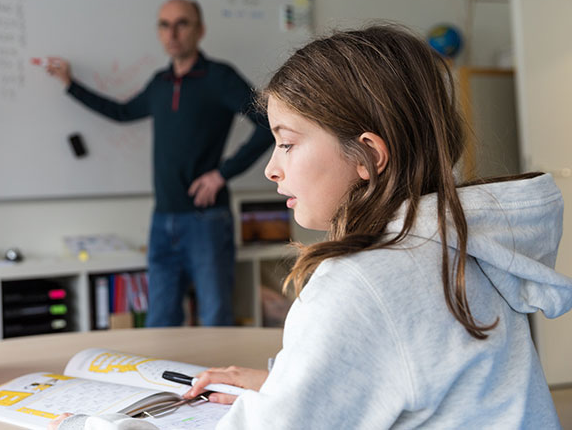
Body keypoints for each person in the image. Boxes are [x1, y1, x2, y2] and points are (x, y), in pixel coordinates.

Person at [51, 24, 572, 430]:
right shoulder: (454, 247)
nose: (271, 168)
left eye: (288, 142)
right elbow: (408, 370)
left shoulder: (365, 282)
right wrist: (286, 383)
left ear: (367, 155)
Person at [45, 0, 273, 328]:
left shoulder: (219, 77)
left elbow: (267, 124)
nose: (173, 33)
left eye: (182, 23)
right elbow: (122, 113)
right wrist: (70, 85)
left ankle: (216, 382)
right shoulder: (160, 83)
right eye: (165, 25)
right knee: (160, 321)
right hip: (162, 219)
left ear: (200, 30)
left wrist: (222, 175)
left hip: (206, 220)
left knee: (215, 318)